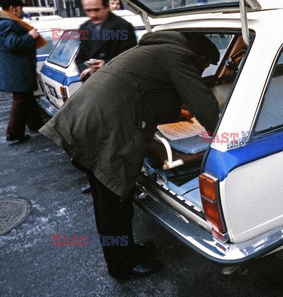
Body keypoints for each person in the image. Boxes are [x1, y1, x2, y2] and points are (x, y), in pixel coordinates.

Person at [40, 31, 220, 280]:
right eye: (207, 65)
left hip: (88, 120)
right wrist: (225, 132)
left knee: (113, 201)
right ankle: (122, 266)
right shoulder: (179, 55)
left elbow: (156, 98)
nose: (204, 70)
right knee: (113, 204)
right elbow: (206, 107)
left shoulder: (155, 50)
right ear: (200, 56)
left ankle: (126, 252)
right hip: (102, 130)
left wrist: (181, 114)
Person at [0, 0, 46, 143]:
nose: (22, 11)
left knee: (27, 96)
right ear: (13, 8)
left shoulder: (7, 22)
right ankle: (13, 133)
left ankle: (36, 124)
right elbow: (12, 43)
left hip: (18, 69)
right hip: (17, 71)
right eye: (21, 8)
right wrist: (30, 36)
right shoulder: (7, 23)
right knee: (20, 99)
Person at [76, 0, 137, 81]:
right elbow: (80, 58)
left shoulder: (123, 26)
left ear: (107, 7)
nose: (93, 15)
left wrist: (106, 64)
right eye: (88, 10)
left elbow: (131, 58)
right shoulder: (84, 27)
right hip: (94, 83)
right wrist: (86, 70)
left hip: (117, 82)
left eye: (96, 10)